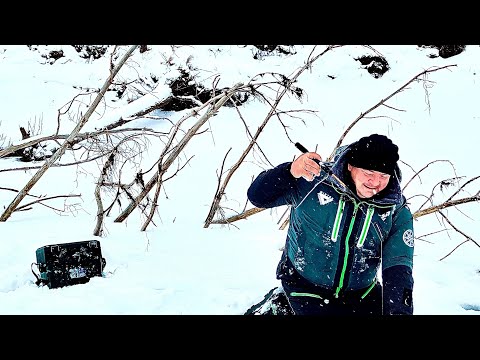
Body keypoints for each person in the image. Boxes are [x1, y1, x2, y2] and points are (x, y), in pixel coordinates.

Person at [247, 134, 415, 315]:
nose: (375, 183)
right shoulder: (313, 181)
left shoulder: (395, 209)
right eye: (368, 173)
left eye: (383, 175)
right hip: (305, 286)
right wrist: (289, 171)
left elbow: (398, 268)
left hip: (361, 293)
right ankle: (280, 306)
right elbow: (257, 196)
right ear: (351, 166)